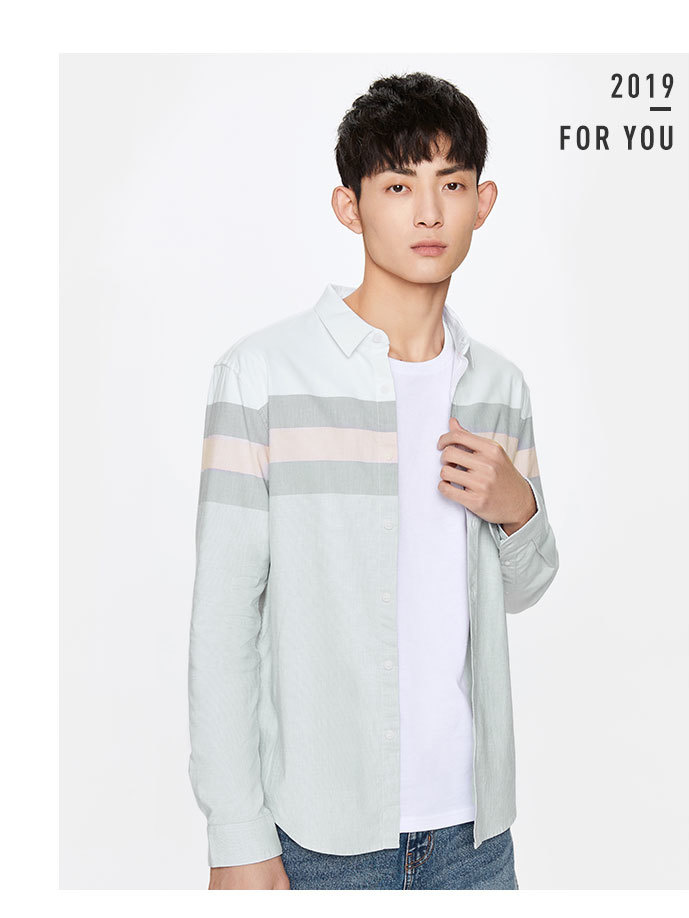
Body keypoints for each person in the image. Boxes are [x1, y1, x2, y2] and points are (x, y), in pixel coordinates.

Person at [187, 71, 560, 891]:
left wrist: (517, 509)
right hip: (318, 839)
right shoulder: (264, 376)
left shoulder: (498, 388)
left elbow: (524, 587)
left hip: (474, 837)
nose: (428, 212)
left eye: (450, 184)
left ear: (483, 202)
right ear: (349, 206)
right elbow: (222, 623)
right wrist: (236, 837)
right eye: (398, 185)